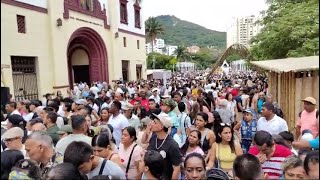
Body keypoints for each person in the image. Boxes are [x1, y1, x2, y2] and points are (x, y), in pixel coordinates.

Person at [141, 113, 182, 179]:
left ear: (161, 127)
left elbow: (176, 169)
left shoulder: (172, 145)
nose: (151, 123)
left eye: (155, 122)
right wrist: (147, 129)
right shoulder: (154, 137)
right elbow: (143, 141)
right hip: (150, 176)